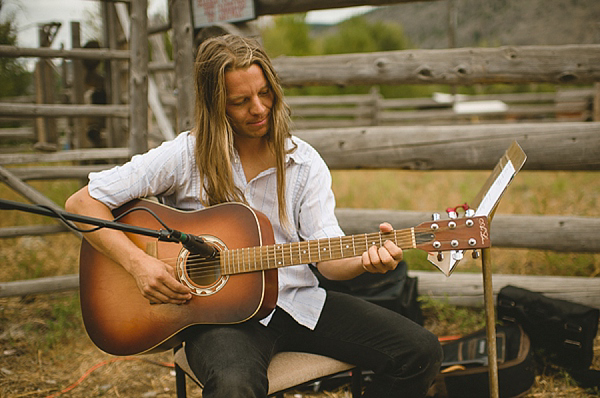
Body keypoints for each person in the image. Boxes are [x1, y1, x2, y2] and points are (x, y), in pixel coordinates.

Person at [65, 34, 442, 397]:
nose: (259, 108)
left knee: (419, 351)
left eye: (265, 94)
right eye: (240, 100)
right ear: (216, 106)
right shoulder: (185, 155)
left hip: (299, 303)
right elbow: (81, 204)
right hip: (220, 318)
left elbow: (328, 258)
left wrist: (364, 261)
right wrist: (139, 265)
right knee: (234, 386)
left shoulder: (303, 163)